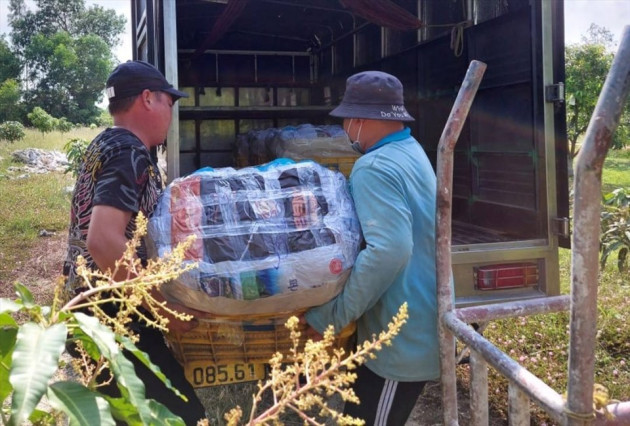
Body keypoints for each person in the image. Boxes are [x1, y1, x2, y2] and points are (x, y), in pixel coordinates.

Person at [63, 60, 206, 425]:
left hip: (92, 312)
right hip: (110, 317)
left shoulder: (104, 144)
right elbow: (103, 240)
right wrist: (163, 310)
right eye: (169, 103)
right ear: (147, 98)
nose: (171, 113)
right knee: (183, 417)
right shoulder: (129, 151)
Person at [305, 71, 440, 425]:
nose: (346, 129)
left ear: (360, 119)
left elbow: (389, 252)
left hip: (400, 338)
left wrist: (331, 318)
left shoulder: (374, 167)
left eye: (347, 120)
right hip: (415, 319)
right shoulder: (410, 150)